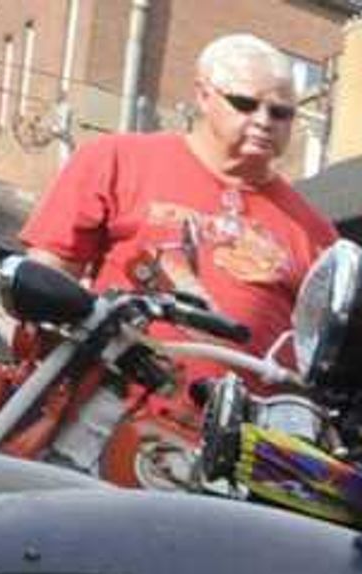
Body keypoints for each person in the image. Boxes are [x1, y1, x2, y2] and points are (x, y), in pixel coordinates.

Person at [20, 33, 335, 359]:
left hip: (254, 404)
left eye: (280, 113)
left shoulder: (314, 232)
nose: (263, 121)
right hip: (110, 400)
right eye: (245, 104)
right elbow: (43, 286)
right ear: (203, 95)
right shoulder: (115, 161)